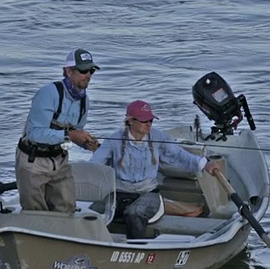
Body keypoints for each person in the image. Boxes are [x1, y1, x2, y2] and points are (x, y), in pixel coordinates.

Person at [89, 100, 222, 238]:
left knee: (133, 214)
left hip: (149, 193)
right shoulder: (114, 139)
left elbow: (178, 155)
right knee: (94, 212)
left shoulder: (158, 137)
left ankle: (137, 250)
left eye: (151, 120)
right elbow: (95, 164)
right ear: (130, 121)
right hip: (119, 193)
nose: (149, 124)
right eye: (144, 120)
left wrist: (204, 164)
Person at [16, 48, 101, 213]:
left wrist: (87, 143)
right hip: (33, 161)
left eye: (91, 70)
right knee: (35, 213)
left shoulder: (85, 101)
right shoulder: (48, 93)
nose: (88, 75)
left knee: (67, 209)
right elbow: (34, 133)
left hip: (60, 160)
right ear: (69, 71)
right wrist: (70, 135)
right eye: (84, 70)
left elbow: (77, 131)